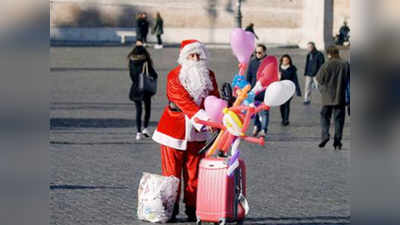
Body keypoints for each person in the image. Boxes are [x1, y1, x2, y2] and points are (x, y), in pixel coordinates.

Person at [152, 40, 220, 222]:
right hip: (174, 130)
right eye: (192, 55)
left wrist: (220, 116)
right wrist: (206, 120)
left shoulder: (209, 75)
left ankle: (193, 208)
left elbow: (215, 99)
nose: (196, 58)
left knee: (194, 173)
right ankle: (170, 209)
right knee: (171, 173)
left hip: (198, 134)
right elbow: (183, 102)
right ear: (184, 57)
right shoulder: (174, 76)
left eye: (198, 55)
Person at [315, 45, 350, 150]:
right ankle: (337, 141)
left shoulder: (326, 65)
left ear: (329, 54)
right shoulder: (345, 64)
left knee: (324, 117)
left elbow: (319, 79)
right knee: (339, 120)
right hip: (340, 96)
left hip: (327, 97)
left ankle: (325, 135)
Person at [127, 41, 158, 141]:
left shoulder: (131, 61)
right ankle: (145, 128)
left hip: (135, 87)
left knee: (138, 110)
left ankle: (138, 132)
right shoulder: (145, 61)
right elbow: (154, 74)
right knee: (147, 108)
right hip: (145, 88)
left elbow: (131, 75)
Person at [246, 44, 268, 137]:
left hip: (265, 91)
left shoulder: (269, 63)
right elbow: (249, 76)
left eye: (259, 52)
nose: (257, 54)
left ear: (264, 52)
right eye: (256, 52)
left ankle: (263, 130)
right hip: (254, 91)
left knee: (264, 112)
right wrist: (247, 89)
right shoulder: (253, 62)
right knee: (255, 110)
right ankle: (256, 126)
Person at [279, 54, 302, 126]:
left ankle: (286, 120)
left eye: (287, 60)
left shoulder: (292, 69)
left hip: (289, 89)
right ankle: (283, 118)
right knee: (281, 105)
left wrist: (298, 91)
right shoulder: (278, 68)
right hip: (279, 89)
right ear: (281, 61)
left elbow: (295, 80)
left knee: (286, 104)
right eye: (284, 60)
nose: (285, 61)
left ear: (289, 61)